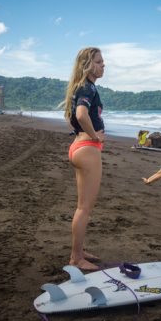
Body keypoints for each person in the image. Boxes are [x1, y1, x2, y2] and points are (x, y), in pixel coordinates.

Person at [63, 47, 105, 271]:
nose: (103, 66)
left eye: (103, 62)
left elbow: (72, 119)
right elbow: (80, 115)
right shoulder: (88, 88)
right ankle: (76, 259)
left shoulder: (80, 87)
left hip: (78, 146)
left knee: (82, 207)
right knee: (84, 208)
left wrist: (84, 134)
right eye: (98, 62)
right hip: (87, 149)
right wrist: (93, 135)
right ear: (87, 64)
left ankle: (79, 252)